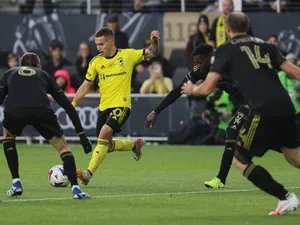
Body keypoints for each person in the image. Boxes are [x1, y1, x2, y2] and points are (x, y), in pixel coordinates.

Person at [181, 12, 300, 216]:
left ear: (227, 29)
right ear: (247, 26)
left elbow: (208, 87)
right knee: (294, 156)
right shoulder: (266, 45)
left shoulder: (226, 49)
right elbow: (295, 72)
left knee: (240, 158)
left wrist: (193, 90)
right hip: (286, 105)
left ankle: (285, 197)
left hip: (263, 108)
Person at [144, 43, 249, 188]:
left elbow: (206, 90)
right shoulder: (200, 70)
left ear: (210, 57)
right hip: (242, 103)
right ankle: (220, 179)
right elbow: (178, 90)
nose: (197, 65)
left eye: (200, 61)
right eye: (195, 62)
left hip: (253, 100)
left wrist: (193, 89)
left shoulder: (225, 62)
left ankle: (220, 179)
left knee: (232, 131)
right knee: (263, 138)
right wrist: (156, 111)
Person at [72, 27, 160, 185]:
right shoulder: (95, 62)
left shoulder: (127, 55)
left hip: (122, 105)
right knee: (106, 145)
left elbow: (152, 53)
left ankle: (87, 175)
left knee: (104, 134)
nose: (98, 47)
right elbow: (85, 85)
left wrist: (154, 41)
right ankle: (134, 144)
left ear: (111, 41)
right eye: (97, 44)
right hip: (103, 108)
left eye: (101, 44)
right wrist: (73, 103)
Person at [0, 52, 92, 199]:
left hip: (15, 110)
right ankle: (76, 189)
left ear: (21, 65)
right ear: (38, 66)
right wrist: (81, 135)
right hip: (41, 111)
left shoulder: (10, 73)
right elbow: (68, 106)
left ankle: (16, 182)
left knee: (8, 138)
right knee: (63, 147)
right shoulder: (43, 74)